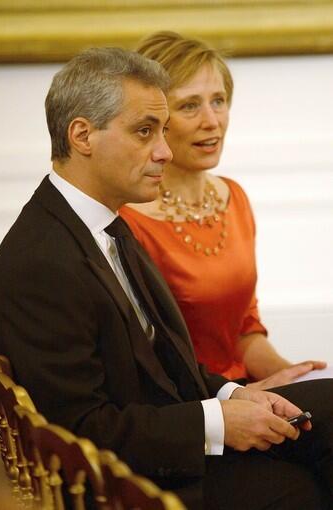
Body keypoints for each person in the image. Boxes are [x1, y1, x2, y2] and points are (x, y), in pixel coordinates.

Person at [0, 47, 332, 510]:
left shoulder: (100, 223)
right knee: (301, 485)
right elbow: (79, 430)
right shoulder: (41, 260)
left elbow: (166, 362)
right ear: (82, 135)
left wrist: (237, 395)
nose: (164, 151)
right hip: (130, 482)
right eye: (145, 131)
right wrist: (218, 422)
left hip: (171, 430)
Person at [120, 31, 326, 388]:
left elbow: (243, 332)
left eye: (219, 101)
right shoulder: (128, 221)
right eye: (189, 106)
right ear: (152, 119)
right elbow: (146, 366)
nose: (212, 121)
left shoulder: (234, 197)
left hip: (247, 393)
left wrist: (292, 377)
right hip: (191, 415)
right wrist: (238, 400)